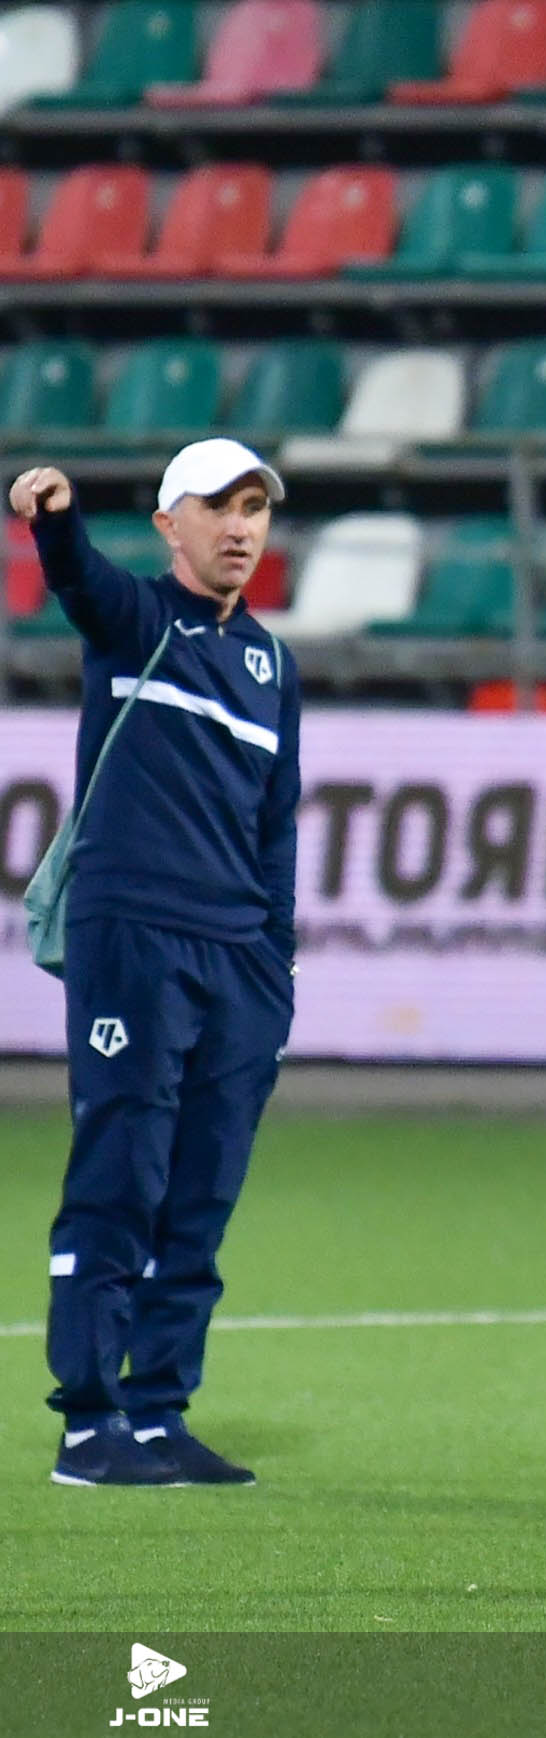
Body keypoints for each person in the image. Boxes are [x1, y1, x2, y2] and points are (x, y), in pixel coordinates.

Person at [10, 441, 301, 1489]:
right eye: (219, 506)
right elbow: (79, 580)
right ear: (170, 525)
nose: (240, 526)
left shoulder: (272, 664)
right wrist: (54, 519)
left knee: (201, 1191)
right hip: (133, 937)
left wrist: (277, 965)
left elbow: (276, 827)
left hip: (238, 959)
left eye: (255, 507)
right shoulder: (135, 621)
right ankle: (89, 1422)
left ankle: (158, 1408)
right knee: (120, 1173)